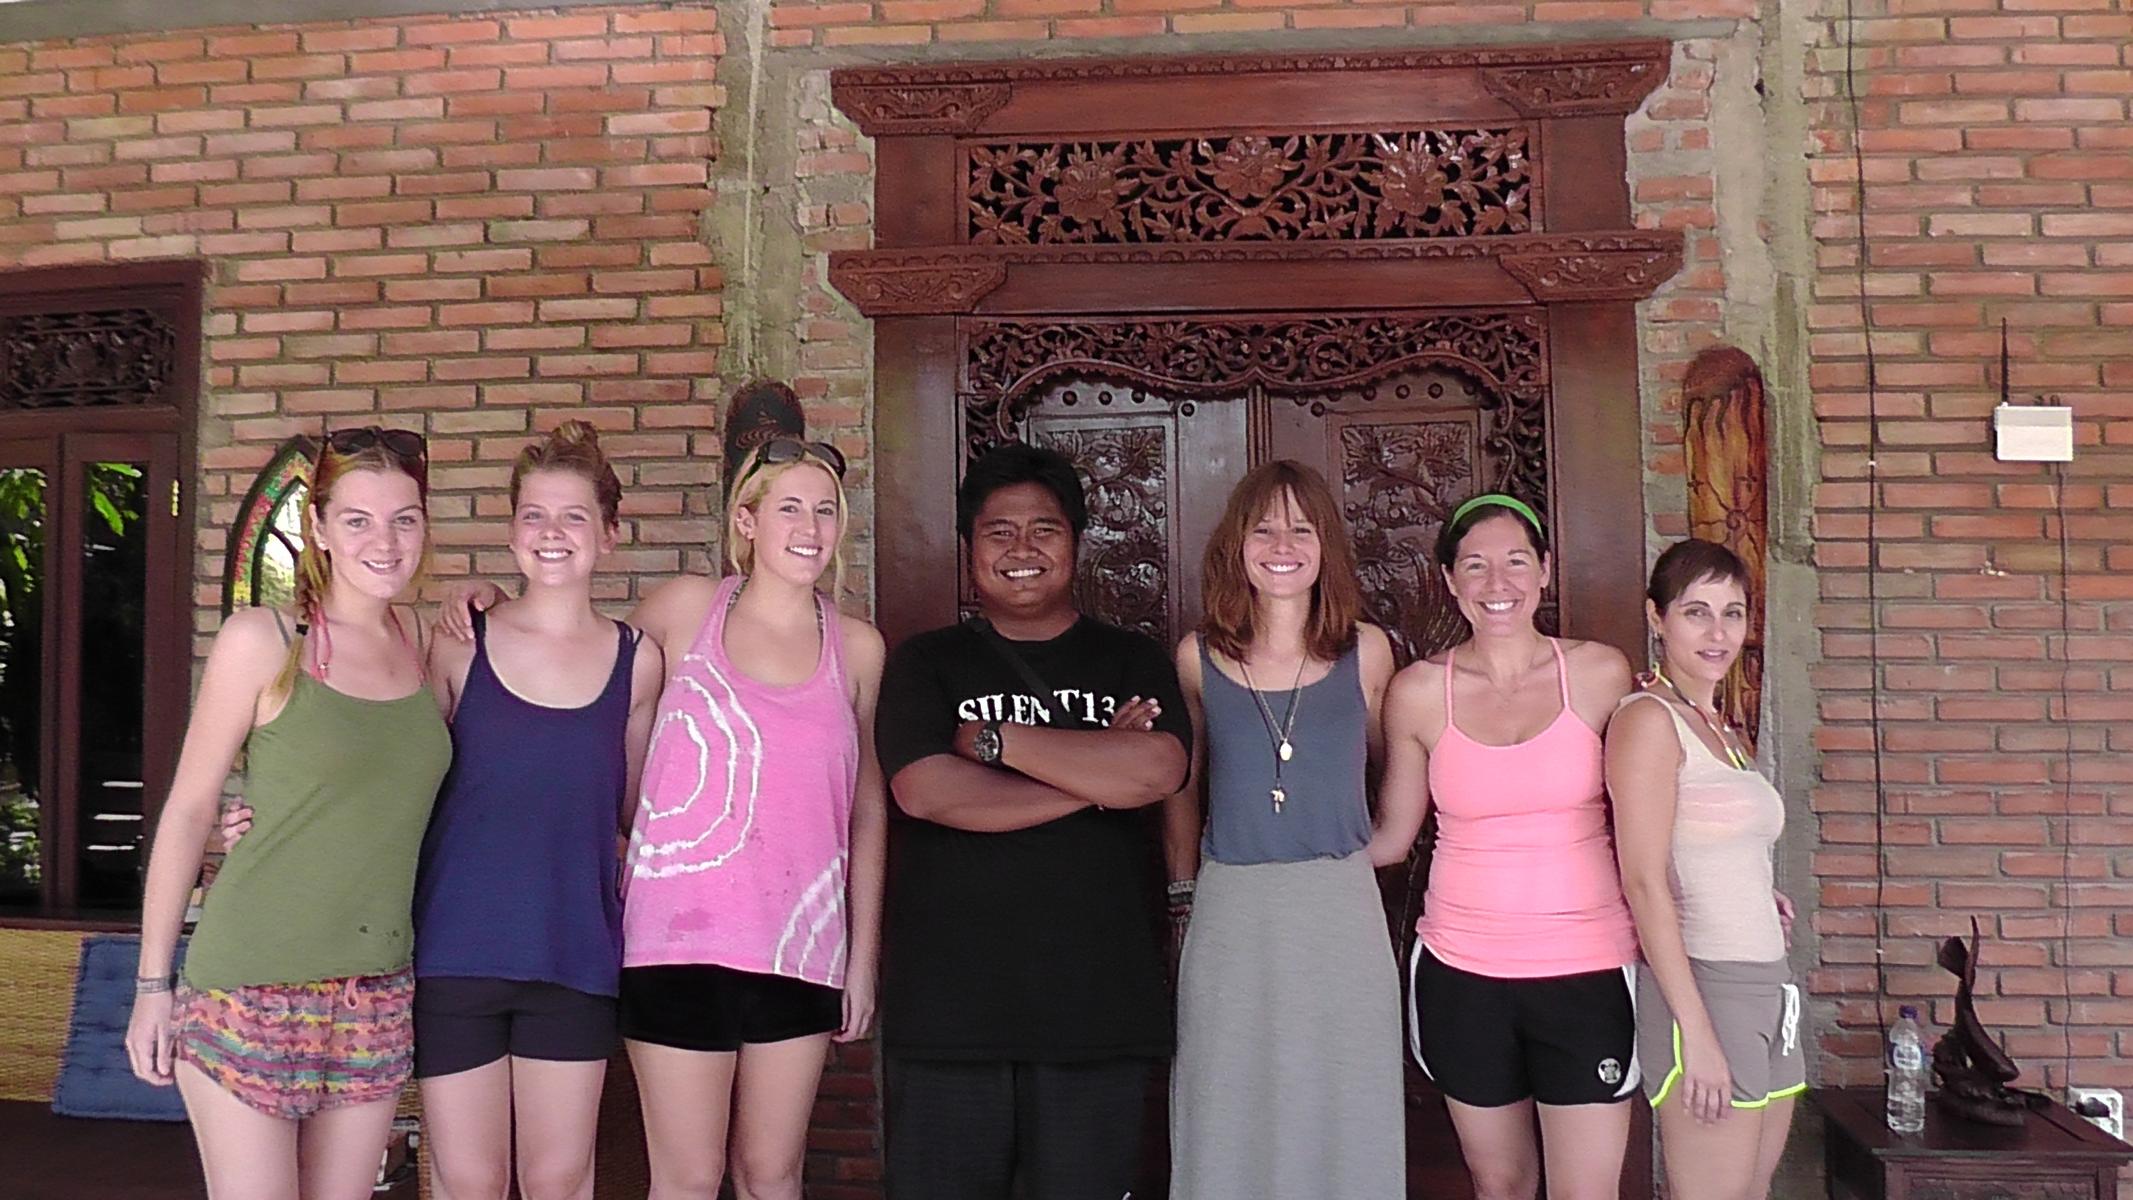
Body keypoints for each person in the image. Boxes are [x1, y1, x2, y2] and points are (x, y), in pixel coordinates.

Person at [217, 422, 668, 1200]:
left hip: (575, 951)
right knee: (468, 1182)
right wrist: (270, 814)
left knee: (560, 1180)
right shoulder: (459, 644)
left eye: (573, 517)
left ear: (611, 533)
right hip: (453, 953)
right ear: (510, 528)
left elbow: (635, 812)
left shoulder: (641, 661)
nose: (552, 534)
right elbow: (392, 776)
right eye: (533, 515)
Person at [125, 427, 450, 1200]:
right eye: (358, 519)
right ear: (319, 528)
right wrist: (150, 985)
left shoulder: (427, 647)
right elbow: (190, 808)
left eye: (404, 518)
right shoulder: (264, 639)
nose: (385, 540)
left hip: (375, 990)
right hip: (250, 984)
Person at [874, 442, 1190, 1200]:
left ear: (1075, 543)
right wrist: (1096, 776)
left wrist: (997, 744)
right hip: (948, 1012)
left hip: (1095, 1009)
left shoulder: (1131, 660)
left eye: (1044, 529)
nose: (1022, 549)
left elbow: (1160, 771)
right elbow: (926, 792)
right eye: (998, 532)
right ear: (969, 548)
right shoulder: (925, 663)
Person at [618, 435, 887, 1200]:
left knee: (771, 1173)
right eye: (789, 508)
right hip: (675, 941)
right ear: (746, 519)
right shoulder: (683, 609)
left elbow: (865, 811)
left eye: (825, 511)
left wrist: (860, 957)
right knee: (687, 1177)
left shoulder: (858, 648)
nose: (809, 527)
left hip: (800, 947)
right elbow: (595, 711)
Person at [1164, 461, 1420, 1199]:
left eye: (1300, 528)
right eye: (1264, 527)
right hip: (1232, 905)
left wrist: (1352, 858)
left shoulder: (1366, 651)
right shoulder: (1197, 656)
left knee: (1345, 1090)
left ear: (1325, 547)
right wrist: (1182, 890)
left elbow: (1387, 761)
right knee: (1227, 1087)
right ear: (1236, 544)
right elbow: (1182, 783)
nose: (1282, 543)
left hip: (1338, 906)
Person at [1380, 493, 1640, 1200]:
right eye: (1475, 565)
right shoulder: (1416, 693)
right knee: (1499, 1184)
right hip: (1461, 973)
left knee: (1585, 1191)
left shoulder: (1599, 675)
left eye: (1515, 562)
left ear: (1545, 571)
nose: (1498, 584)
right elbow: (1389, 840)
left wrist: (1731, 884)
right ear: (1449, 581)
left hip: (1586, 968)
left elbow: (1651, 817)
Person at [1607, 538, 1799, 1200]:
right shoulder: (1647, 723)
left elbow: (1707, 843)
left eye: (1733, 612)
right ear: (1656, 618)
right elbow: (1642, 880)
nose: (1718, 633)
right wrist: (1698, 1033)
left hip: (1766, 987)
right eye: (1696, 612)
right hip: (1704, 989)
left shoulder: (1721, 726)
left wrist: (1756, 890)